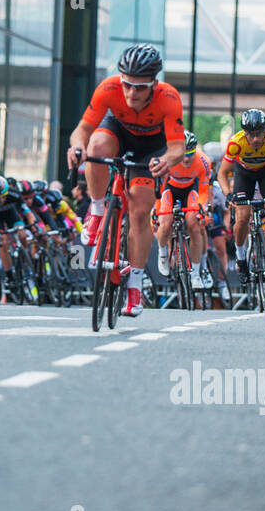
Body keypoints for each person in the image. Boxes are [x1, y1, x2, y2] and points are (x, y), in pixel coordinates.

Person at [66, 44, 185, 317]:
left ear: (154, 83)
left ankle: (134, 285)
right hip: (118, 132)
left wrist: (168, 160)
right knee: (95, 147)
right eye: (127, 84)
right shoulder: (108, 88)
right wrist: (76, 149)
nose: (132, 92)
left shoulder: (169, 97)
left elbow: (177, 147)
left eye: (140, 87)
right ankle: (97, 211)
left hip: (152, 149)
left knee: (141, 213)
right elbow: (81, 131)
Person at [217, 108, 265, 289]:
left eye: (259, 134)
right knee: (242, 217)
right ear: (245, 134)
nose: (256, 139)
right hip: (244, 174)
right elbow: (222, 173)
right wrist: (228, 193)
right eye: (251, 135)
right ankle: (241, 259)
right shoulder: (236, 143)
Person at [154, 131, 212, 292]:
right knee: (165, 222)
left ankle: (195, 274)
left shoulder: (204, 162)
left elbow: (203, 191)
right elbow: (158, 190)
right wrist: (158, 210)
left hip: (191, 190)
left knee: (194, 225)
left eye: (190, 154)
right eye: (184, 155)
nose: (186, 159)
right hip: (169, 189)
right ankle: (163, 253)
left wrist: (201, 207)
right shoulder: (167, 160)